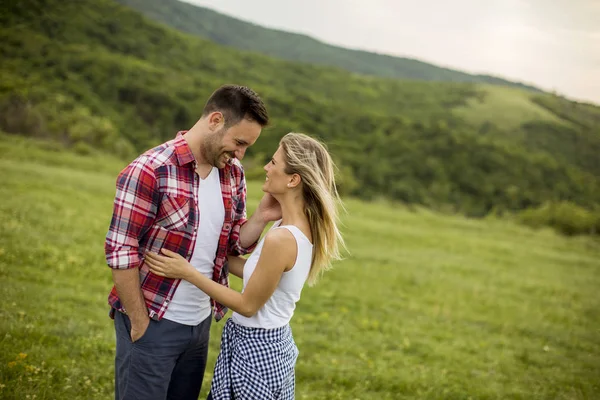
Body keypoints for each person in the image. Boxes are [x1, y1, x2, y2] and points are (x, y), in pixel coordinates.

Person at [104, 84, 281, 400]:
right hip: (153, 320)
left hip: (199, 325)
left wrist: (261, 218)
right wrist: (139, 319)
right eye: (239, 143)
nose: (241, 154)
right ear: (215, 120)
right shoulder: (151, 169)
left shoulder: (233, 174)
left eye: (247, 147)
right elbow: (121, 250)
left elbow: (231, 246)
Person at [145, 132, 346, 399]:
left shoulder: (282, 238)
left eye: (273, 163)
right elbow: (255, 272)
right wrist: (198, 247)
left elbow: (247, 305)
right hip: (266, 343)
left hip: (257, 348)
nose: (266, 167)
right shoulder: (291, 227)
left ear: (293, 180)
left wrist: (187, 272)